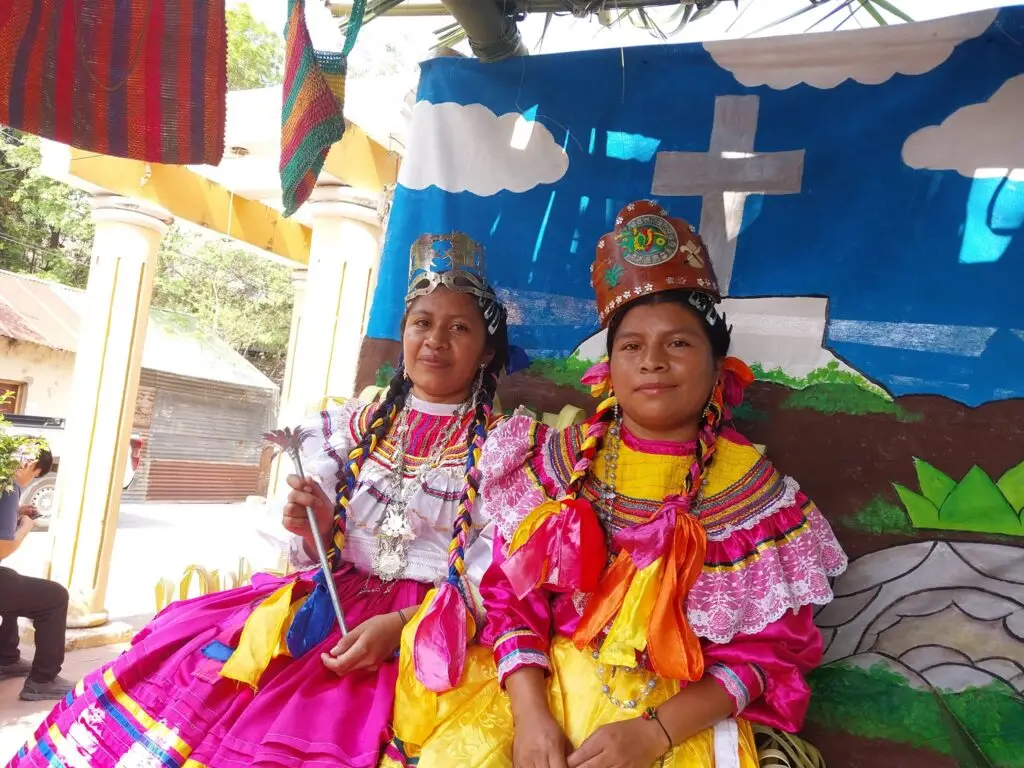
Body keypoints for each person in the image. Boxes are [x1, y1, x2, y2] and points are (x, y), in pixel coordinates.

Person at [12, 232, 513, 768]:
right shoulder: (349, 428)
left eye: (459, 327)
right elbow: (317, 548)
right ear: (404, 333)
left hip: (430, 626)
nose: (435, 339)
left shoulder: (510, 448)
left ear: (486, 350)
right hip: (327, 603)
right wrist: (317, 526)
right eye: (422, 322)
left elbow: (500, 579)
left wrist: (406, 627)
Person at [385, 201, 848, 768]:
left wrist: (654, 735)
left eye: (678, 343)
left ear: (717, 364)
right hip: (537, 703)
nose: (652, 362)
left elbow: (769, 655)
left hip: (676, 726)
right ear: (609, 368)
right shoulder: (556, 465)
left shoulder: (758, 497)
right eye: (632, 346)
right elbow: (514, 602)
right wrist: (531, 719)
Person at [0, 448, 73, 702]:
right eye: (35, 475)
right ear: (30, 466)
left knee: (11, 580)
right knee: (55, 596)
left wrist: (17, 511)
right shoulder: (8, 487)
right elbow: (2, 548)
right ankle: (43, 680)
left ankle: (6, 658)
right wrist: (26, 527)